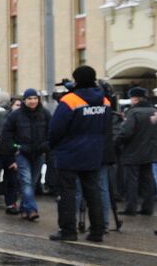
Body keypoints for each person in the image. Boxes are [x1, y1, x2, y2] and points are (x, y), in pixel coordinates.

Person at [47, 65, 111, 242]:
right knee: (93, 192)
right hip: (93, 152)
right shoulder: (105, 101)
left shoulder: (70, 100)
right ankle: (97, 231)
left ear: (77, 80)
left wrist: (54, 145)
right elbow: (106, 127)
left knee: (67, 192)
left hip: (70, 152)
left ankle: (68, 231)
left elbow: (56, 129)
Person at [6, 88, 51, 222]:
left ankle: (24, 208)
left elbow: (52, 131)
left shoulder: (45, 114)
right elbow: (7, 134)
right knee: (26, 181)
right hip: (22, 153)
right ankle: (31, 210)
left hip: (39, 153)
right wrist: (15, 147)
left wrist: (46, 146)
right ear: (24, 100)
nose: (33, 101)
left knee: (32, 182)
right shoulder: (15, 115)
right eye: (29, 98)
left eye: (35, 98)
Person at [118, 86, 157, 216]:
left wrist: (117, 142)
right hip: (150, 152)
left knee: (132, 180)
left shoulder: (133, 112)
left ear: (135, 98)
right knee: (147, 180)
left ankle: (131, 207)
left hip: (133, 152)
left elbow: (126, 132)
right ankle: (148, 208)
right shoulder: (154, 111)